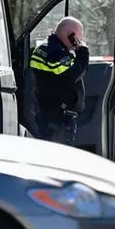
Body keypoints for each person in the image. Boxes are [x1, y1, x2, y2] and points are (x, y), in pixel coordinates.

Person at [30, 16, 89, 145]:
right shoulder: (52, 51)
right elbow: (70, 75)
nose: (81, 40)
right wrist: (83, 54)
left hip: (57, 118)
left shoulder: (54, 48)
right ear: (71, 34)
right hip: (55, 121)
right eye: (79, 36)